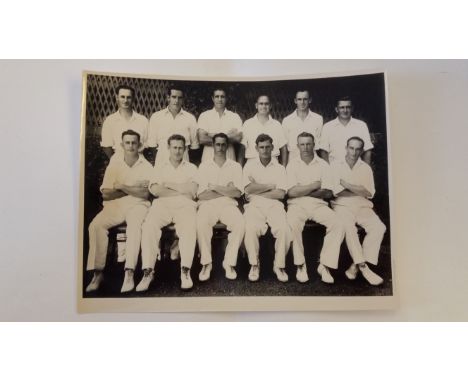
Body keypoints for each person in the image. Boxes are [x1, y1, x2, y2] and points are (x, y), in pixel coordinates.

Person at [86, 130, 152, 293]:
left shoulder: (147, 166)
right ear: (122, 145)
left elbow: (145, 194)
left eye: (134, 143)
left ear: (140, 145)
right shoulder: (114, 165)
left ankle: (129, 273)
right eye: (127, 143)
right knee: (95, 226)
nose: (130, 146)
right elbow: (106, 194)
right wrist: (133, 188)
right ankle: (97, 273)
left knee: (135, 226)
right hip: (115, 205)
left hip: (138, 205)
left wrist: (122, 186)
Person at [137, 134, 198, 291]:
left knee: (189, 226)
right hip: (162, 205)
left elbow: (192, 191)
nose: (177, 151)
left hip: (185, 205)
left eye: (180, 148)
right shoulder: (160, 167)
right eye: (174, 147)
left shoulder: (192, 168)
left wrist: (169, 185)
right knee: (149, 225)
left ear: (185, 149)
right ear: (168, 148)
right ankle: (148, 271)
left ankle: (185, 271)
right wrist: (180, 188)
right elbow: (156, 190)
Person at [286, 133, 344, 284]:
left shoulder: (323, 164)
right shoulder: (292, 164)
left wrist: (303, 189)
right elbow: (291, 192)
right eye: (302, 144)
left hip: (319, 205)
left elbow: (328, 192)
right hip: (296, 205)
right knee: (292, 223)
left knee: (338, 223)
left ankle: (324, 265)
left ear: (314, 145)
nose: (305, 147)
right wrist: (314, 185)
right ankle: (300, 265)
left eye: (308, 144)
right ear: (297, 146)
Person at [331, 136, 386, 286]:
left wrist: (346, 184)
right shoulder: (336, 165)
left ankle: (355, 265)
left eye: (357, 149)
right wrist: (358, 189)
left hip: (362, 205)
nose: (354, 152)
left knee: (379, 228)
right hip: (341, 205)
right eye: (351, 148)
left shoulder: (365, 168)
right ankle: (363, 266)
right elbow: (336, 192)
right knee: (349, 228)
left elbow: (369, 193)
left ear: (362, 150)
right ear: (346, 148)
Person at [196, 133, 245, 281]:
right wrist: (225, 190)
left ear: (227, 146)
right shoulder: (204, 166)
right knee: (201, 222)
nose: (220, 147)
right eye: (218, 144)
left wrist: (214, 187)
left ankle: (229, 263)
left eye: (224, 144)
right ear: (213, 145)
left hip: (228, 205)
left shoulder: (235, 166)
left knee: (240, 223)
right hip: (208, 205)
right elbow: (201, 195)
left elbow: (237, 193)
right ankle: (206, 263)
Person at [242, 134, 290, 282]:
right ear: (256, 148)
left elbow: (281, 193)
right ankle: (254, 264)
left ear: (272, 148)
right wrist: (270, 186)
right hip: (254, 205)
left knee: (283, 228)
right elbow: (247, 190)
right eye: (261, 147)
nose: (264, 150)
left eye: (267, 147)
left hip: (274, 204)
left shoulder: (280, 168)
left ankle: (279, 265)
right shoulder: (249, 166)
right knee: (250, 228)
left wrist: (257, 188)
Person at [147, 87, 199, 166]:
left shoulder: (190, 118)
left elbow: (194, 146)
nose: (177, 101)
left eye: (180, 98)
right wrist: (162, 159)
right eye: (174, 97)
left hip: (183, 164)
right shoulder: (156, 117)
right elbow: (152, 144)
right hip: (162, 163)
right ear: (168, 98)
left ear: (183, 99)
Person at [317, 96, 373, 165]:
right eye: (342, 107)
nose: (345, 110)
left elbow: (367, 150)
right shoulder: (327, 127)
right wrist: (328, 170)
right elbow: (324, 151)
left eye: (348, 107)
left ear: (352, 109)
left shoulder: (361, 125)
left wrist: (365, 169)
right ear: (336, 109)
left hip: (356, 169)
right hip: (335, 169)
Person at [100, 85, 149, 159]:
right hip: (118, 161)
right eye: (122, 97)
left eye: (128, 97)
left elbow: (147, 143)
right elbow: (106, 145)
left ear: (133, 99)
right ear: (117, 98)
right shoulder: (110, 121)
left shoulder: (143, 120)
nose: (125, 100)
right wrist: (116, 161)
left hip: (139, 162)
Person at [239, 95, 288, 166]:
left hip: (273, 163)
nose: (264, 106)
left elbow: (283, 147)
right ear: (256, 105)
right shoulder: (247, 124)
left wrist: (283, 167)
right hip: (252, 163)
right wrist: (240, 168)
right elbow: (242, 148)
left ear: (270, 106)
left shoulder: (277, 124)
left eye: (266, 104)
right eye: (261, 104)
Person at [198, 89, 243, 163]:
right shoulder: (204, 116)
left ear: (226, 98)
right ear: (212, 98)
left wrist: (210, 135)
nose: (220, 99)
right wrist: (228, 136)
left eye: (222, 97)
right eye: (217, 96)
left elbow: (238, 138)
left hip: (229, 160)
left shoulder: (234, 116)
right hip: (208, 160)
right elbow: (202, 139)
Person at [282, 90, 323, 164]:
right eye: (299, 99)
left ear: (310, 100)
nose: (302, 102)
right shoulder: (287, 120)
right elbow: (285, 146)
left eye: (305, 99)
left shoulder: (318, 119)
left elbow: (319, 144)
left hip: (313, 160)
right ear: (295, 101)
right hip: (293, 160)